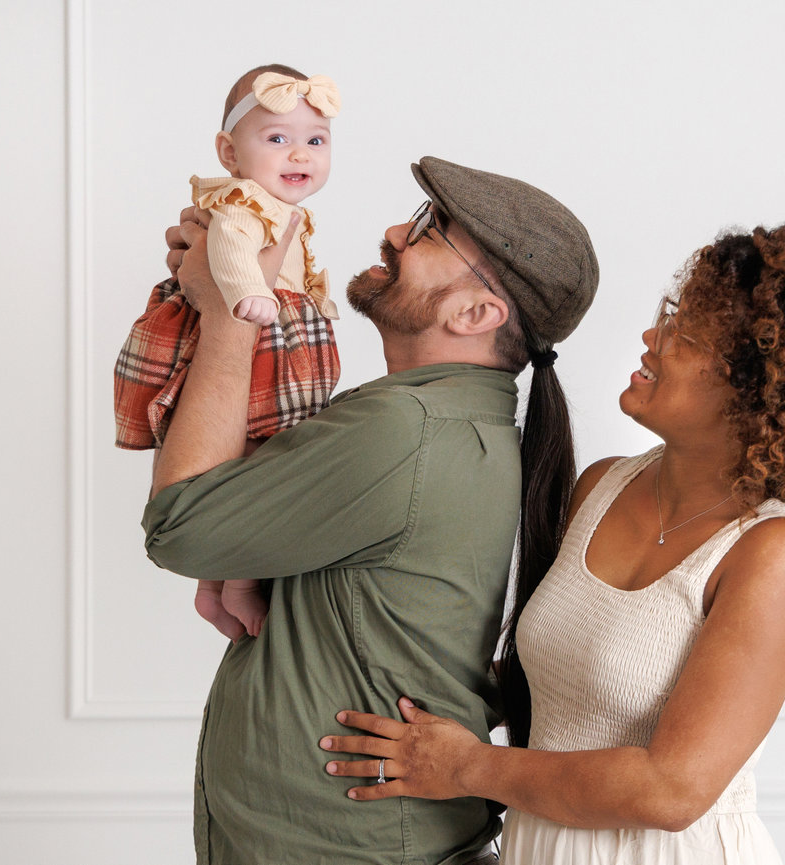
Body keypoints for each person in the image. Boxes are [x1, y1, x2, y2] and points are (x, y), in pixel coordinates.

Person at [320, 223, 785, 865]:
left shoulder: (777, 553)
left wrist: (469, 767)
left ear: (753, 392)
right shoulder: (600, 487)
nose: (652, 338)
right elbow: (557, 678)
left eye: (688, 335)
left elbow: (671, 790)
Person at [142, 156, 599, 864]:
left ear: (475, 313)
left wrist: (227, 311)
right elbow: (216, 530)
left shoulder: (407, 429)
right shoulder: (440, 425)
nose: (393, 232)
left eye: (427, 230)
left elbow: (180, 527)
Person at [115, 63, 342, 636]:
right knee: (253, 454)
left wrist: (316, 301)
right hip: (256, 326)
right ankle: (237, 582)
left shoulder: (276, 206)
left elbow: (298, 266)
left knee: (254, 454)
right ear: (228, 151)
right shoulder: (243, 203)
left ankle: (219, 588)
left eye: (315, 141)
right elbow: (233, 254)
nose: (299, 155)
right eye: (277, 139)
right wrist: (249, 298)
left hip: (274, 324)